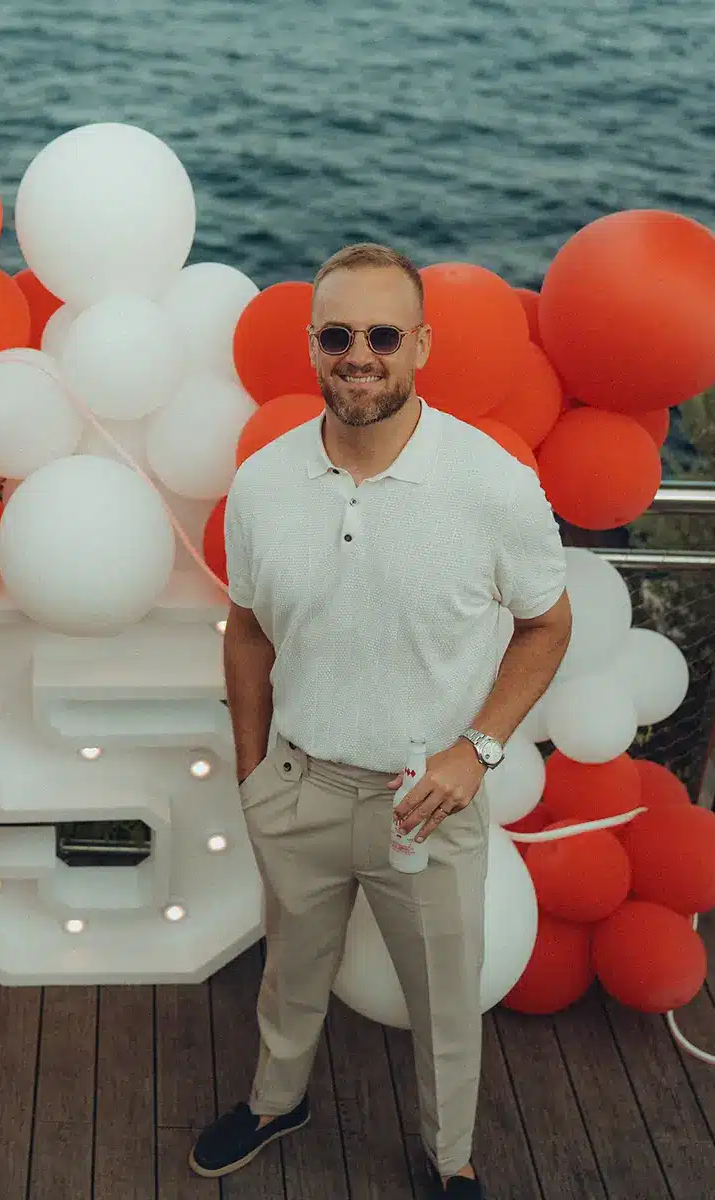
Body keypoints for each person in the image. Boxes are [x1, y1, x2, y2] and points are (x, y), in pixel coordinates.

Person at [190, 243, 571, 1197]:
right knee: (290, 974)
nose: (360, 353)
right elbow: (246, 633)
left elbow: (548, 625)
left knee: (446, 1001)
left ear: (422, 346)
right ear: (312, 346)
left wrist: (475, 753)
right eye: (338, 334)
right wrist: (252, 771)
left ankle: (450, 1162)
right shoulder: (262, 484)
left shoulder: (491, 485)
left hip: (428, 800)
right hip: (302, 785)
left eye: (384, 334)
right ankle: (276, 1104)